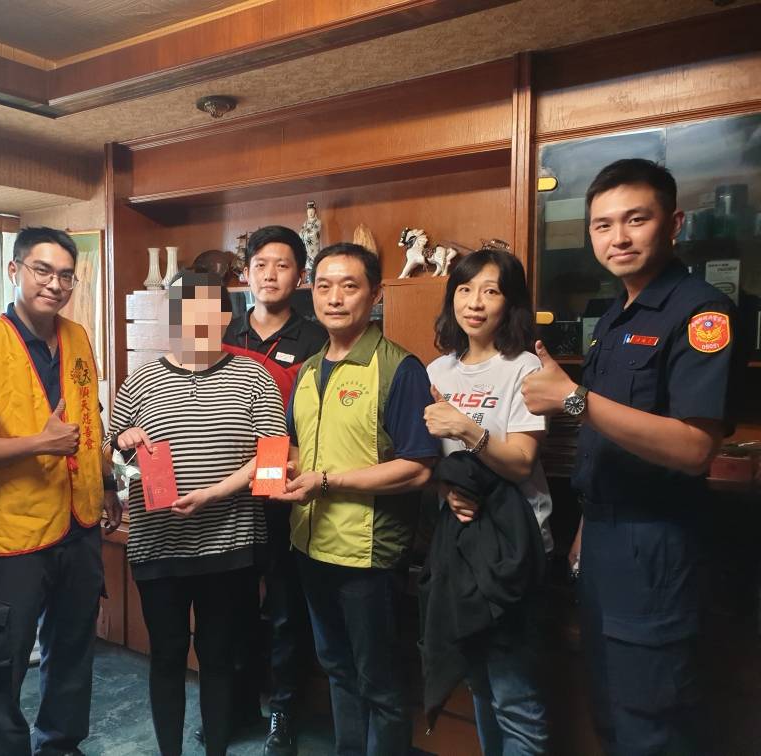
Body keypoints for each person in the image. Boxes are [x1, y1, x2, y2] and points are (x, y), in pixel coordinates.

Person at [522, 159, 738, 755]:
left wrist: (572, 398)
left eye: (635, 219)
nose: (617, 237)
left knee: (651, 720)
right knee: (610, 710)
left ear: (675, 223)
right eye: (602, 225)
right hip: (603, 537)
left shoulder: (700, 312)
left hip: (657, 542)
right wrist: (585, 530)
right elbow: (607, 439)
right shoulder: (615, 315)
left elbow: (694, 447)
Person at [0, 226, 121, 756]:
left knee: (72, 649)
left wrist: (107, 483)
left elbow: (89, 422)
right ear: (14, 270)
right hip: (14, 536)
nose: (55, 284)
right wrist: (37, 444)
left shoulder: (78, 338)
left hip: (79, 525)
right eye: (42, 270)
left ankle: (61, 746)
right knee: (4, 662)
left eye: (66, 275)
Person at [110, 268, 287, 756]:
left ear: (226, 316)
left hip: (230, 546)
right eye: (183, 311)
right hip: (158, 546)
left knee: (220, 659)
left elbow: (274, 457)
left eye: (206, 310)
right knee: (166, 657)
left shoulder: (254, 376)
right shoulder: (140, 381)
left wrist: (213, 494)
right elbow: (112, 455)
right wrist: (122, 441)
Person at [277, 243, 439, 756]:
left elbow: (418, 467)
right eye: (324, 286)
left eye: (349, 286)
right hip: (310, 547)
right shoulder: (307, 371)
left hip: (367, 555)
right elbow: (298, 449)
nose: (335, 298)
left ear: (374, 295)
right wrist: (285, 471)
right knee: (337, 669)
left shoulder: (400, 369)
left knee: (380, 683)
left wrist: (327, 481)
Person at [422, 247, 551, 755]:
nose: (475, 302)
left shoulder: (524, 368)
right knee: (478, 681)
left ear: (510, 302)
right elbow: (428, 463)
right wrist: (444, 488)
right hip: (459, 543)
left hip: (514, 546)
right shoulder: (437, 370)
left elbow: (520, 462)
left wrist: (465, 427)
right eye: (465, 289)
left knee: (514, 696)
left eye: (490, 291)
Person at [219, 225, 328, 755]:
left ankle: (283, 710)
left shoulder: (317, 339)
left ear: (300, 277)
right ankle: (237, 704)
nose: (269, 274)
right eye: (260, 264)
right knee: (233, 606)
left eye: (282, 265)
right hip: (227, 498)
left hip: (285, 494)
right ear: (246, 273)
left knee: (285, 609)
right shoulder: (221, 331)